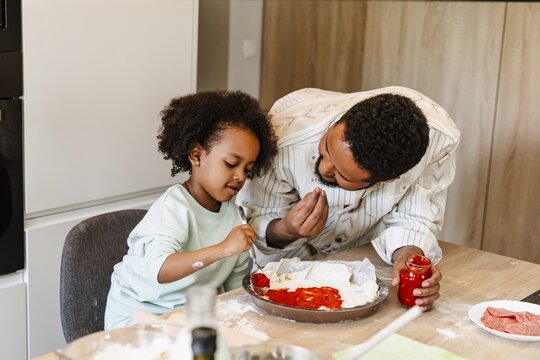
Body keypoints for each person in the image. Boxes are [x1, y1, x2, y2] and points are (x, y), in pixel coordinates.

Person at [237, 87, 460, 310]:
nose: (324, 168)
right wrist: (287, 228)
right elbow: (256, 218)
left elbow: (415, 217)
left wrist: (408, 257)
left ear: (387, 180)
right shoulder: (282, 136)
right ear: (339, 122)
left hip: (362, 266)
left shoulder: (438, 143)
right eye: (325, 148)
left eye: (340, 175)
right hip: (285, 270)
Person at [104, 90, 277, 329]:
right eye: (231, 163)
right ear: (196, 155)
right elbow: (160, 269)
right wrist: (223, 249)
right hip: (137, 321)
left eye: (248, 169)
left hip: (187, 319)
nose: (240, 177)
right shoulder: (173, 208)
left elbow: (235, 288)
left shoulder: (233, 216)